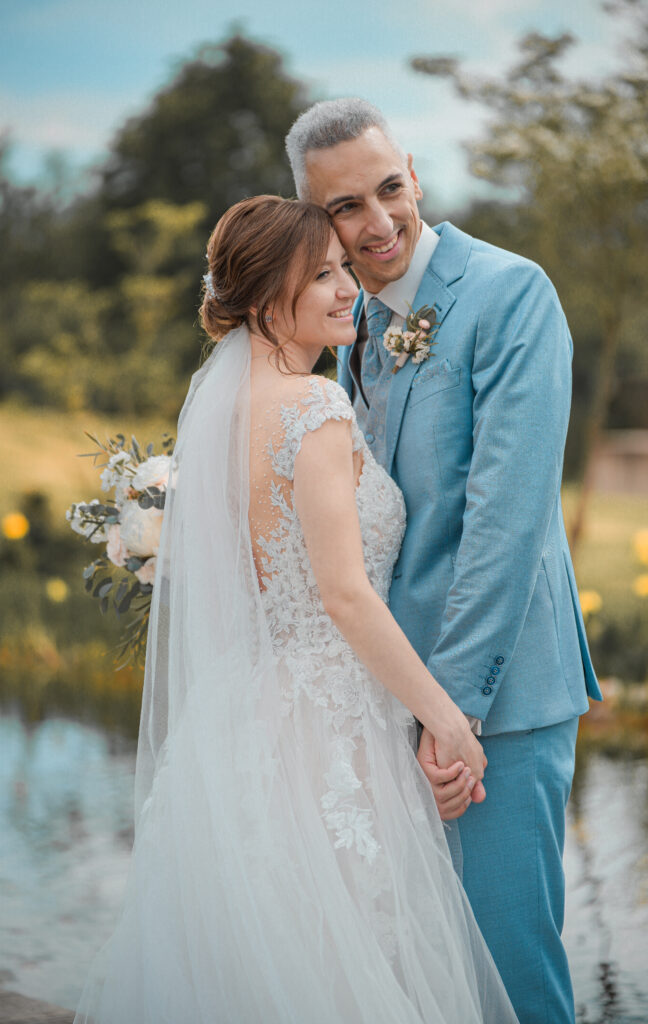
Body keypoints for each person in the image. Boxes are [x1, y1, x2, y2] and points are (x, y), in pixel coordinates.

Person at [73, 195, 518, 1023]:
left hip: (240, 722)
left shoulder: (227, 413)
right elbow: (343, 595)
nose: (347, 287)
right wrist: (446, 720)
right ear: (266, 300)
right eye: (320, 275)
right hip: (328, 730)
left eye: (343, 268)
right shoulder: (312, 408)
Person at [285, 98, 603, 1024]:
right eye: (345, 208)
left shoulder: (510, 294)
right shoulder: (349, 323)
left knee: (508, 972)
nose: (377, 223)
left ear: (415, 176)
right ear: (315, 219)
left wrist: (451, 708)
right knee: (421, 976)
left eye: (389, 189)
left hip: (494, 703)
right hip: (394, 693)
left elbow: (505, 522)